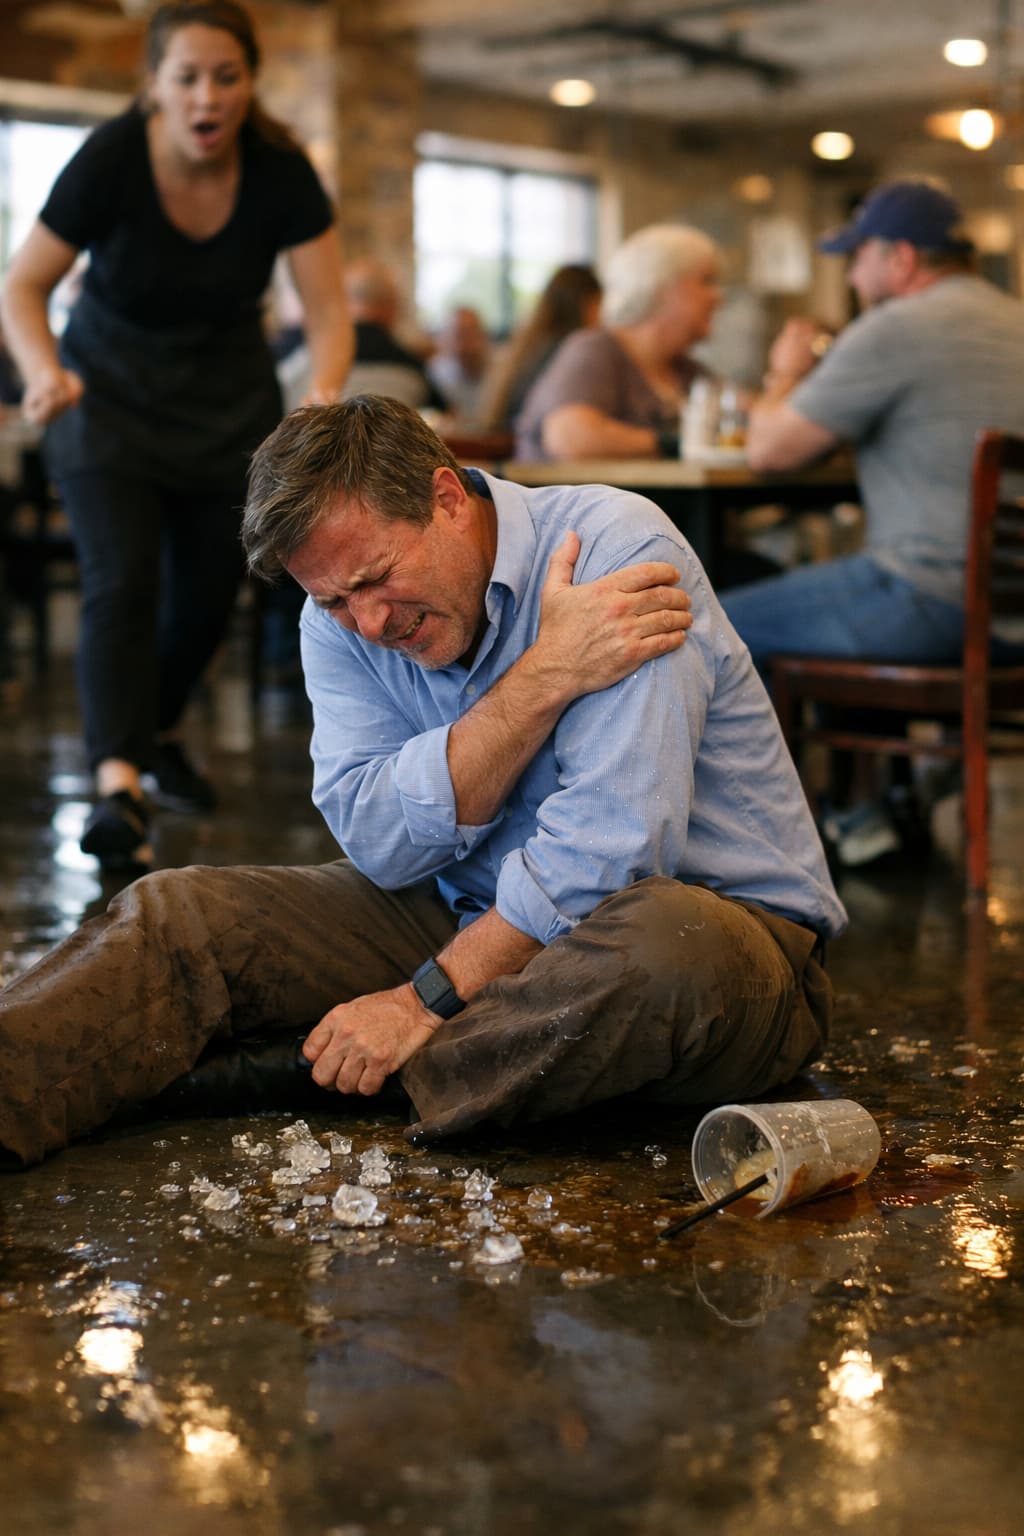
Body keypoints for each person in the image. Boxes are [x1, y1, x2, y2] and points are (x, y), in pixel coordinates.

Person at [0, 394, 846, 1169]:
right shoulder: (334, 614)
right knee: (184, 913)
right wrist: (542, 679)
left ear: (447, 497)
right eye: (335, 602)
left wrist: (422, 1000)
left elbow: (615, 854)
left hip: (723, 945)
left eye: (374, 579)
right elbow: (377, 842)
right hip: (470, 913)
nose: (368, 623)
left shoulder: (616, 551)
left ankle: (291, 1075)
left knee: (665, 948)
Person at [0, 0, 353, 871]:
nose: (208, 94)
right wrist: (43, 371)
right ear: (153, 85)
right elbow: (22, 286)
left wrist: (321, 395)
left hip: (225, 404)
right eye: (187, 76)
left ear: (248, 83)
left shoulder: (279, 171)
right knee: (120, 581)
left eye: (226, 76)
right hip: (104, 398)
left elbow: (330, 311)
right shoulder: (112, 158)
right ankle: (118, 782)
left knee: (209, 592)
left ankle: (150, 730)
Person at [719, 179, 1024, 864]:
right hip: (1010, 615)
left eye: (857, 256)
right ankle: (868, 819)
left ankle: (758, 856)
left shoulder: (895, 328)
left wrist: (783, 372)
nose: (851, 275)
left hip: (930, 600)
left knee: (706, 625)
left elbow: (769, 449)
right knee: (817, 604)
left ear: (902, 259)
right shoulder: (1015, 319)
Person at [515, 224, 721, 460]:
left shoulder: (686, 369)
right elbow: (570, 438)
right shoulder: (595, 349)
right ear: (661, 287)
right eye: (706, 281)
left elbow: (739, 412)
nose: (718, 296)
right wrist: (672, 444)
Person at [280, 256, 445, 415]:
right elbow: (442, 414)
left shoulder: (292, 348)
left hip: (296, 442)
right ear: (392, 307)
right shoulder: (412, 365)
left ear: (343, 301)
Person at [480, 263, 603, 435]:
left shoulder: (530, 342)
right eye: (599, 303)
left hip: (503, 444)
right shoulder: (569, 349)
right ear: (587, 303)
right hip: (526, 449)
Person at [427, 306, 490, 428]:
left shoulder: (500, 375)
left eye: (471, 334)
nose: (466, 344)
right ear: (444, 339)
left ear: (483, 336)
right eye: (459, 335)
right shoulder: (433, 373)